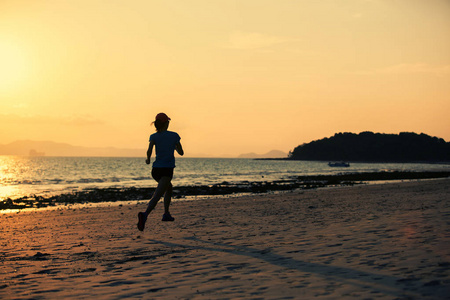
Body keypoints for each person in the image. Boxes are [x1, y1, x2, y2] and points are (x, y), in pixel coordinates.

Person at [137, 112, 184, 231]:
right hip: (167, 170)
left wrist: (148, 160)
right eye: (168, 122)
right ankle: (145, 214)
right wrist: (173, 146)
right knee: (158, 194)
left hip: (155, 170)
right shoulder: (174, 136)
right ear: (166, 123)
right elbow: (181, 152)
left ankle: (166, 214)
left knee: (169, 188)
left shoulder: (154, 136)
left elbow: (149, 151)